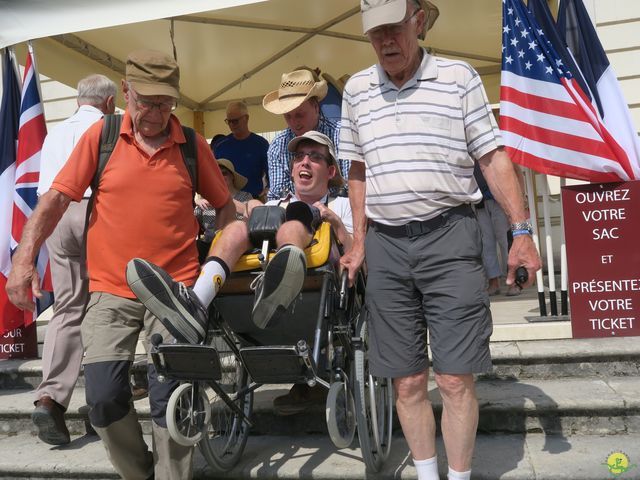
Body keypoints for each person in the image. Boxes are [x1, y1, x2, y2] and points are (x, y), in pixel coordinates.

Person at [6, 49, 235, 480]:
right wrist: (22, 261)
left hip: (175, 292)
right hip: (111, 289)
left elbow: (225, 208)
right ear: (125, 92)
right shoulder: (102, 136)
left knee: (172, 397)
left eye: (165, 103)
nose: (155, 113)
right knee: (104, 399)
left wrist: (208, 268)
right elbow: (55, 200)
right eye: (146, 101)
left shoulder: (192, 144)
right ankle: (139, 473)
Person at [339, 2, 542, 480]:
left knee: (453, 377)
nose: (386, 42)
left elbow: (492, 158)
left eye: (394, 29)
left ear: (420, 22)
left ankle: (460, 475)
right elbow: (358, 169)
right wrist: (361, 240)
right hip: (387, 247)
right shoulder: (356, 89)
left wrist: (522, 231)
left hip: (451, 237)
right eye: (375, 34)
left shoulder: (459, 77)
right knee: (407, 380)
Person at [126, 131, 351, 414]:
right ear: (291, 167)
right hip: (255, 284)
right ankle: (196, 304)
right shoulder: (274, 204)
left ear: (330, 170)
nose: (304, 162)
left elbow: (358, 258)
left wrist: (336, 223)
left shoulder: (342, 204)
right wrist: (241, 204)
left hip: (318, 287)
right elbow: (235, 206)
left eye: (315, 157)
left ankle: (283, 278)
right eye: (299, 157)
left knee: (294, 223)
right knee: (234, 229)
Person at [32, 74, 116, 446]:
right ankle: (109, 397)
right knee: (109, 302)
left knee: (67, 308)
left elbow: (44, 192)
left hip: (54, 214)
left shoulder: (55, 132)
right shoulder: (108, 128)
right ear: (109, 103)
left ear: (78, 101)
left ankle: (50, 397)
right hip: (92, 211)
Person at [263, 69, 350, 200]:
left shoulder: (343, 135)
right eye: (287, 116)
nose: (294, 122)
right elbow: (276, 197)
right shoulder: (278, 145)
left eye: (299, 115)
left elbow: (355, 188)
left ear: (316, 107)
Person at [214, 101, 269, 199]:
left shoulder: (261, 144)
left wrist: (268, 189)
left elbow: (271, 172)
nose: (231, 125)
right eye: (228, 121)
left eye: (235, 121)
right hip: (227, 200)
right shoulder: (220, 146)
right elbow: (213, 174)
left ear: (246, 118)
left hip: (254, 199)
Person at [473, 162, 511, 296]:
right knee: (486, 244)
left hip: (499, 199)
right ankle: (493, 282)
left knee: (505, 242)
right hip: (480, 202)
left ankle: (513, 282)